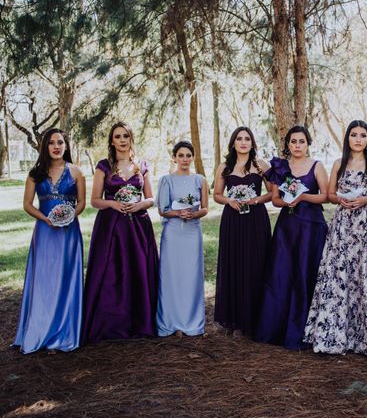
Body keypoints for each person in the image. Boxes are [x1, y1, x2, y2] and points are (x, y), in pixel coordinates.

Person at [304, 120, 367, 356]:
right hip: (343, 226)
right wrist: (341, 199)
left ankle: (365, 337)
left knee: (364, 277)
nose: (358, 139)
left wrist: (366, 200)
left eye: (362, 135)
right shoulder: (339, 163)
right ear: (347, 138)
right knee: (340, 276)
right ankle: (336, 333)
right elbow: (329, 194)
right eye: (353, 135)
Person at [82, 122, 159, 344]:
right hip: (111, 227)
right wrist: (114, 204)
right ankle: (110, 324)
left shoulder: (142, 166)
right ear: (112, 141)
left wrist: (140, 205)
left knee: (138, 270)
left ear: (130, 138)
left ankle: (140, 322)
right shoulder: (103, 166)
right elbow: (95, 200)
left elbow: (151, 198)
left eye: (126, 136)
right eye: (118, 136)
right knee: (112, 272)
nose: (122, 140)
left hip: (138, 226)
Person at [254, 125, 328, 350]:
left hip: (311, 228)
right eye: (293, 142)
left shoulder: (317, 166)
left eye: (301, 141)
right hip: (287, 227)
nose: (297, 145)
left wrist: (303, 196)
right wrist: (287, 201)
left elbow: (326, 195)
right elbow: (275, 199)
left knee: (306, 274)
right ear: (288, 145)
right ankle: (277, 327)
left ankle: (305, 330)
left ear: (308, 144)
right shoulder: (281, 167)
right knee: (282, 274)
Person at [13, 128, 85, 353]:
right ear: (45, 146)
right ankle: (39, 330)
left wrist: (70, 216)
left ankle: (62, 332)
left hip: (69, 233)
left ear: (66, 146)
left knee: (65, 278)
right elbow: (27, 204)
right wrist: (45, 219)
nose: (56, 146)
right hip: (44, 232)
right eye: (52, 142)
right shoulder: (36, 173)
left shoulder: (76, 171)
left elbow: (82, 202)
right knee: (44, 279)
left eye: (60, 142)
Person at [213, 127, 271, 336]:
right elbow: (217, 195)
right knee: (234, 263)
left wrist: (254, 199)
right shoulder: (225, 166)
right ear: (233, 143)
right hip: (232, 219)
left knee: (255, 264)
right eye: (239, 139)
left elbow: (273, 193)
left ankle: (254, 317)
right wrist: (229, 200)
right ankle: (234, 318)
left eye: (247, 139)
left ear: (252, 143)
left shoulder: (260, 165)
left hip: (256, 219)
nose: (243, 142)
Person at [156, 141, 208, 337]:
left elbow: (204, 208)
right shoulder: (166, 180)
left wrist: (194, 215)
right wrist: (178, 213)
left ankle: (192, 321)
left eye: (188, 155)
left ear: (192, 158)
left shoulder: (199, 180)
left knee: (191, 275)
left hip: (193, 233)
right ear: (174, 157)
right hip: (173, 233)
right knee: (171, 276)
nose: (185, 159)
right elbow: (163, 209)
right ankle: (170, 320)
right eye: (181, 155)